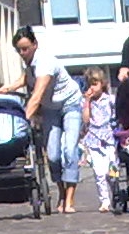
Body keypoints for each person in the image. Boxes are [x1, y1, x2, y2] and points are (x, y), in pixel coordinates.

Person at [6, 24, 85, 212]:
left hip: (70, 103)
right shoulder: (30, 64)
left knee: (70, 150)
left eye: (25, 48)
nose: (22, 53)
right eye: (19, 50)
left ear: (35, 44)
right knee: (53, 154)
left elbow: (37, 94)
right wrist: (8, 89)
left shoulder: (45, 61)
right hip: (51, 109)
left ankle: (70, 199)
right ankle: (61, 191)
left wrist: (23, 119)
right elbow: (26, 78)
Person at [79, 69, 116, 213]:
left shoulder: (110, 99)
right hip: (94, 138)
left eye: (95, 84)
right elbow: (86, 120)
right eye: (90, 85)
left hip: (109, 138)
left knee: (111, 172)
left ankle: (116, 194)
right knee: (99, 172)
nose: (92, 88)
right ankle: (104, 201)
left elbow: (116, 117)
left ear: (102, 84)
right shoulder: (86, 101)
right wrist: (87, 101)